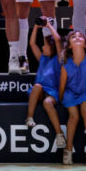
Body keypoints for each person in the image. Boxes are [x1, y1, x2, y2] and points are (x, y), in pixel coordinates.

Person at [24, 20, 65, 148]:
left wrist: (48, 25)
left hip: (52, 92)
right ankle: (29, 117)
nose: (42, 47)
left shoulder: (59, 60)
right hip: (40, 91)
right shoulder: (42, 58)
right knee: (37, 86)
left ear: (52, 47)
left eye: (45, 45)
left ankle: (59, 134)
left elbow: (58, 40)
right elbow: (32, 44)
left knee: (47, 103)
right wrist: (36, 26)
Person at [59, 30, 86, 165]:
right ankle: (68, 149)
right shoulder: (66, 63)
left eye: (81, 36)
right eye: (73, 37)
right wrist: (61, 99)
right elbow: (62, 85)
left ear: (85, 45)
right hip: (69, 93)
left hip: (84, 92)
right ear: (69, 46)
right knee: (74, 115)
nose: (77, 38)